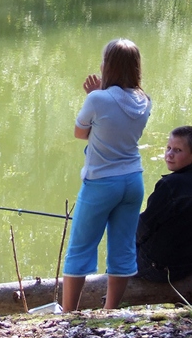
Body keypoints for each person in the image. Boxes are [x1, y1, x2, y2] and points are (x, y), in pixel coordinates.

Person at [63, 39, 152, 312]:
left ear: (108, 66)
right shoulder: (144, 100)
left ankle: (68, 314)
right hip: (133, 181)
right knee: (123, 248)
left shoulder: (97, 98)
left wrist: (96, 93)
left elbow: (80, 133)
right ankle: (110, 311)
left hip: (101, 182)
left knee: (80, 247)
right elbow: (117, 126)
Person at [136, 126, 192, 282]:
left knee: (124, 233)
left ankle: (110, 290)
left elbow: (143, 227)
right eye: (168, 148)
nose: (169, 154)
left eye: (177, 150)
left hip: (157, 269)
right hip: (191, 266)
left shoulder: (168, 186)